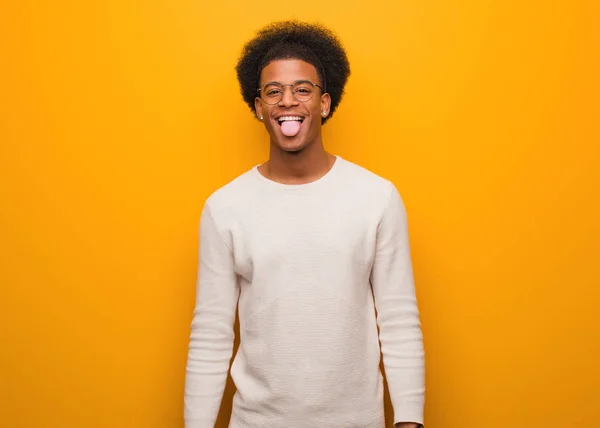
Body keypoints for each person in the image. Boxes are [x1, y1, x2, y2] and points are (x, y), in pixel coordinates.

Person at [184, 20, 425, 428]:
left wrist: (409, 419)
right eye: (273, 91)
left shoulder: (376, 197)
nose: (287, 102)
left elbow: (399, 319)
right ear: (258, 106)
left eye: (302, 90)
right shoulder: (225, 207)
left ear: (324, 103)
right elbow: (211, 333)